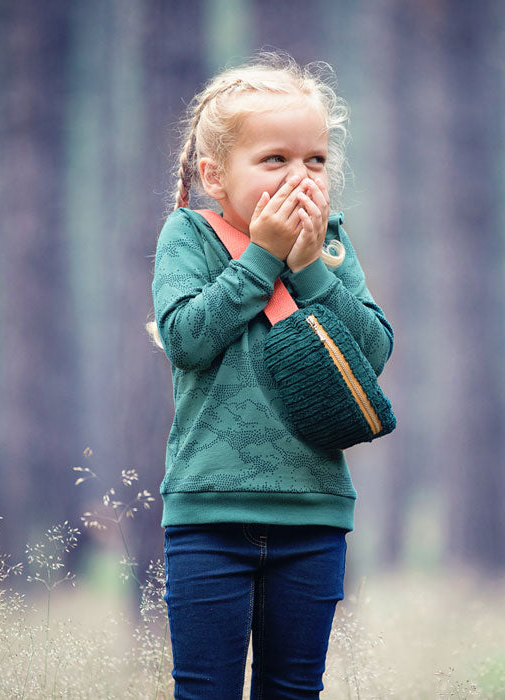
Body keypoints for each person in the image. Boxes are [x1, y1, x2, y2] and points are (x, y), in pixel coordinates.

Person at [147, 51, 394, 699]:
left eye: (314, 160)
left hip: (314, 515)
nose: (300, 176)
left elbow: (371, 351)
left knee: (293, 689)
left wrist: (312, 267)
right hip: (208, 513)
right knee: (205, 691)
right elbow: (187, 339)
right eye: (274, 159)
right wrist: (263, 258)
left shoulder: (331, 242)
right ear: (215, 174)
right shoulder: (188, 236)